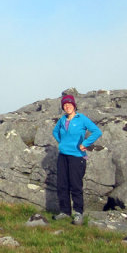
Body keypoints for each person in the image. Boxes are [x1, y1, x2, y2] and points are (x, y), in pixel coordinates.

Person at [52, 94, 102, 225]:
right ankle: (64, 212)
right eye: (65, 104)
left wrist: (85, 143)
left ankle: (78, 213)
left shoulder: (82, 119)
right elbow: (55, 132)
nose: (67, 106)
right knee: (62, 185)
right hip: (63, 155)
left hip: (77, 157)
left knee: (76, 185)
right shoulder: (62, 120)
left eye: (69, 104)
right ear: (63, 107)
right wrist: (61, 143)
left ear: (74, 105)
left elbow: (97, 132)